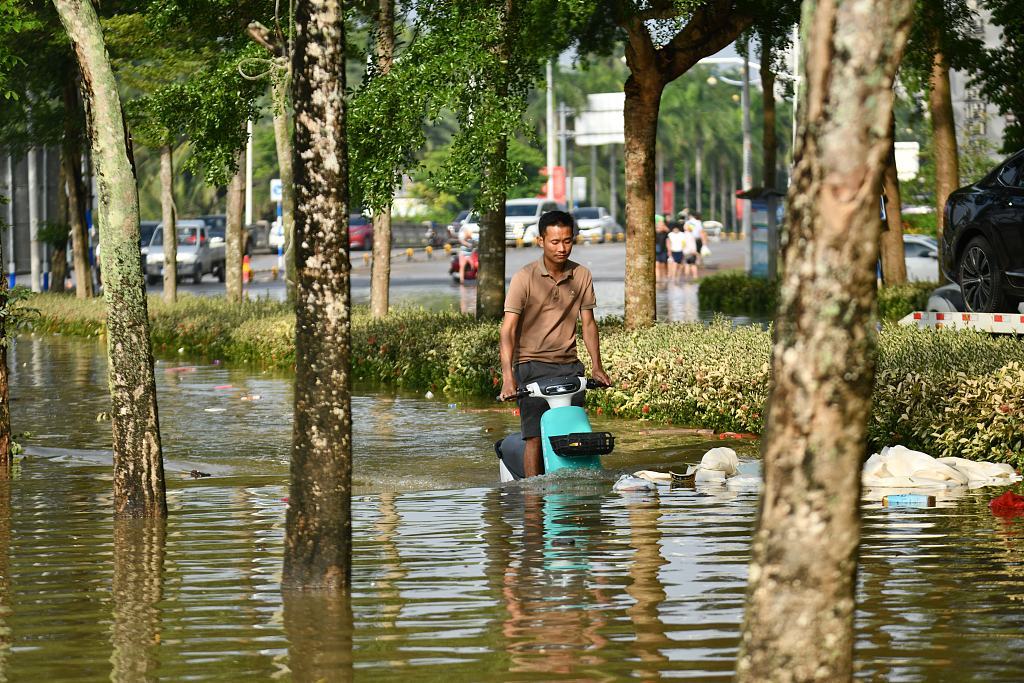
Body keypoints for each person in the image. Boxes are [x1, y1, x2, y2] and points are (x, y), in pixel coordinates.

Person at [499, 210, 612, 478]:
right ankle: (532, 501)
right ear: (540, 241)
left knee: (575, 435)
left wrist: (597, 367)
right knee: (534, 438)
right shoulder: (524, 278)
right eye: (554, 242)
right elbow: (508, 330)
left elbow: (589, 324)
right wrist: (508, 378)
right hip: (531, 366)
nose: (562, 248)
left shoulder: (582, 275)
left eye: (567, 241)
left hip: (570, 367)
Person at [654, 214, 670, 282]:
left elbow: (668, 232)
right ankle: (658, 279)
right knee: (657, 265)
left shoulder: (665, 233)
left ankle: (664, 277)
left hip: (663, 251)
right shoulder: (653, 232)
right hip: (656, 251)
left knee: (663, 265)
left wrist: (669, 251)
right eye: (658, 225)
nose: (660, 226)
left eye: (661, 225)